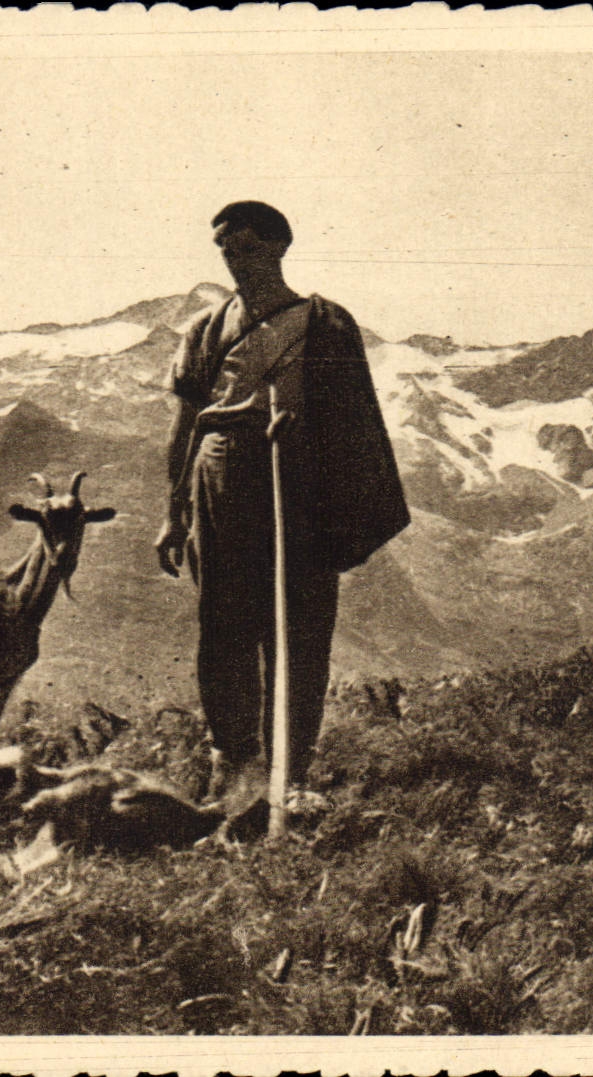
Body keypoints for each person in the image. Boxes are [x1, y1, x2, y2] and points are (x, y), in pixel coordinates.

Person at [154, 201, 409, 819]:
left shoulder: (325, 324)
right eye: (225, 249)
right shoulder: (204, 330)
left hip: (300, 485)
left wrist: (315, 447)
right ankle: (232, 763)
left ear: (277, 248)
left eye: (245, 247)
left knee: (300, 628)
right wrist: (174, 512)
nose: (233, 260)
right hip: (220, 481)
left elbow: (353, 420)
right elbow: (185, 425)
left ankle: (289, 770)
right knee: (223, 626)